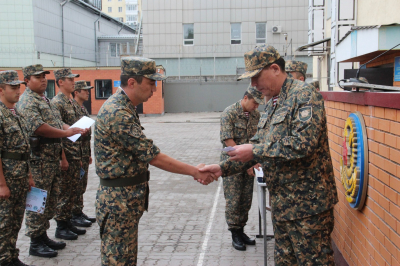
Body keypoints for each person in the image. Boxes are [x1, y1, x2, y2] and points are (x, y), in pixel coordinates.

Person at [201, 45, 338, 266]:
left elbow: (303, 144)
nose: (253, 85)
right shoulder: (274, 103)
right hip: (283, 207)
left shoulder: (304, 95)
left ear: (275, 68)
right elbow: (257, 144)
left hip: (308, 209)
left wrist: (254, 150)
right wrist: (221, 168)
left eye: (256, 78)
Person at [95, 57, 215, 266]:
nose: (154, 89)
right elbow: (154, 157)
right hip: (118, 204)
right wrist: (195, 171)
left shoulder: (126, 107)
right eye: (151, 83)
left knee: (126, 258)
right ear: (132, 82)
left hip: (125, 202)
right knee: (118, 261)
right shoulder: (117, 112)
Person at [16, 64, 85, 258]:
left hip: (51, 159)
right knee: (37, 201)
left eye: (44, 76)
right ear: (27, 81)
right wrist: (66, 132)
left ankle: (43, 235)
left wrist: (72, 129)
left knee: (50, 200)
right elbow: (39, 127)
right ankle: (35, 241)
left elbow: (55, 122)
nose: (43, 80)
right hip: (39, 161)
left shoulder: (43, 99)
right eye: (38, 77)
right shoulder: (28, 101)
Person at [220, 85, 264, 251]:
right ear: (245, 98)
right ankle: (234, 234)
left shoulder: (256, 115)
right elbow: (228, 142)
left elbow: (258, 139)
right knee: (233, 199)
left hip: (249, 164)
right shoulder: (229, 113)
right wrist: (245, 162)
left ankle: (241, 231)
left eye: (259, 104)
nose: (256, 106)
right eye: (254, 103)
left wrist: (255, 160)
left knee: (246, 199)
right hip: (232, 164)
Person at [51, 69, 91, 241]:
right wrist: (63, 157)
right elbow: (58, 132)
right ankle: (61, 225)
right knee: (65, 192)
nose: (73, 82)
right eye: (69, 79)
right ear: (60, 82)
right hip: (67, 153)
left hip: (77, 153)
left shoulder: (71, 103)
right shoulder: (57, 103)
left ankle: (68, 221)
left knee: (73, 189)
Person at [0, 71, 35, 266]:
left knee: (15, 220)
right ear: (1, 90)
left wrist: (29, 176)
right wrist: (1, 184)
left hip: (20, 176)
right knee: (4, 223)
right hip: (7, 178)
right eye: (12, 88)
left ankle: (12, 255)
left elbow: (24, 148)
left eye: (18, 87)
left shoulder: (15, 113)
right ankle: (4, 259)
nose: (17, 91)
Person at [71, 80, 96, 224]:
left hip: (84, 152)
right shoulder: (72, 108)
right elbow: (72, 137)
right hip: (75, 153)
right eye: (85, 90)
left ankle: (78, 211)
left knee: (81, 185)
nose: (88, 93)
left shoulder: (82, 109)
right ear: (77, 92)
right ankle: (74, 214)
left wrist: (88, 154)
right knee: (75, 186)